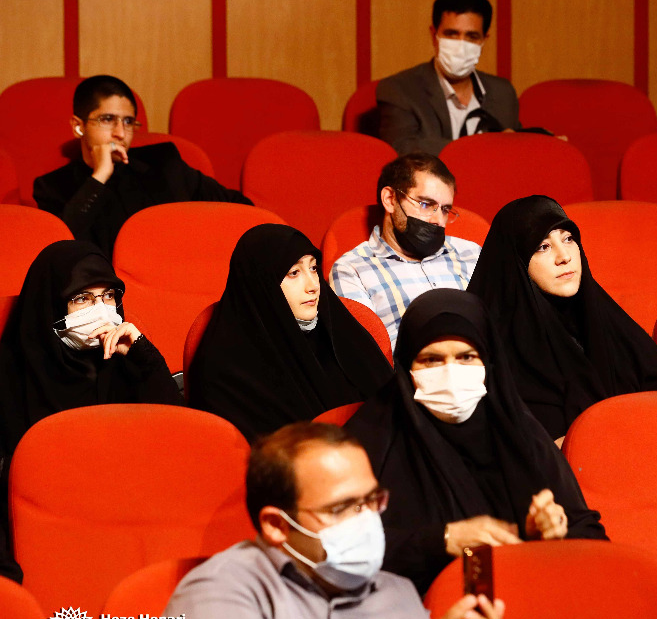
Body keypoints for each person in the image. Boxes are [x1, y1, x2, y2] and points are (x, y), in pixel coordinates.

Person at [145, 420, 514, 619]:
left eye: (371, 501)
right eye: (342, 508)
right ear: (276, 525)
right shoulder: (220, 595)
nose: (367, 521)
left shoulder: (398, 592)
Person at [346, 289, 607, 594]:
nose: (450, 373)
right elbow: (333, 548)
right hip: (421, 609)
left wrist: (549, 535)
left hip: (532, 594)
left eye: (466, 357)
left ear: (488, 361)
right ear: (406, 366)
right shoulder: (369, 441)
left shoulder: (519, 432)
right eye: (431, 360)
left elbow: (589, 535)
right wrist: (442, 540)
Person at [0, 240, 181, 584]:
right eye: (82, 298)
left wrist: (146, 359)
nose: (101, 311)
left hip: (130, 526)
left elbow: (178, 447)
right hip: (46, 540)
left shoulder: (126, 363)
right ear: (50, 304)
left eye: (109, 296)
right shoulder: (10, 377)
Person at [466, 196, 657, 444]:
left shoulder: (612, 325)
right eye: (543, 246)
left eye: (568, 239)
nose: (564, 256)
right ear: (516, 261)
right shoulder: (490, 350)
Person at [189, 224, 392, 442]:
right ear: (262, 284)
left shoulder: (342, 334)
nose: (313, 285)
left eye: (313, 268)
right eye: (294, 273)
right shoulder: (226, 372)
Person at [33, 75, 251, 259]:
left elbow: (240, 208)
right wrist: (99, 178)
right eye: (107, 119)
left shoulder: (164, 162)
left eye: (128, 122)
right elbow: (60, 251)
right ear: (78, 126)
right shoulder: (52, 187)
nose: (120, 133)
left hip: (179, 277)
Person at [331, 153, 480, 347]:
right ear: (390, 199)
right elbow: (364, 352)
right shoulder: (352, 269)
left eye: (444, 210)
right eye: (425, 204)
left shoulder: (471, 253)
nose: (438, 220)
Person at [377, 0, 521, 156]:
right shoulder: (399, 90)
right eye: (452, 34)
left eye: (472, 37)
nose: (461, 46)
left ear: (483, 41)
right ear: (434, 35)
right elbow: (403, 149)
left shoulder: (503, 92)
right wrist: (483, 148)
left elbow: (516, 152)